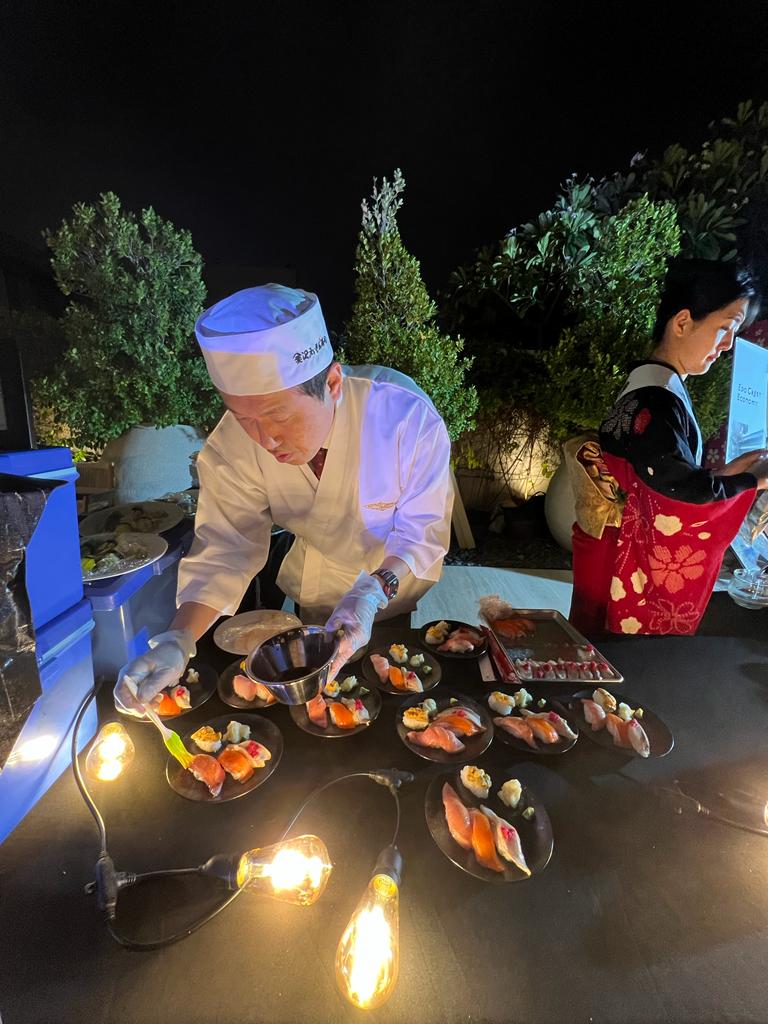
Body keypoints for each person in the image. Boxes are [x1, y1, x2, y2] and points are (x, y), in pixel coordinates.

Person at [116, 284, 453, 709]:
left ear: (332, 382)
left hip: (392, 582)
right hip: (320, 584)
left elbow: (421, 531)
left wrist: (371, 593)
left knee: (392, 689)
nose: (265, 438)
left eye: (279, 415)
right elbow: (226, 546)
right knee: (320, 697)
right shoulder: (233, 445)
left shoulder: (405, 417)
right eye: (245, 418)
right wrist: (180, 637)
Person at [568, 258, 768, 636]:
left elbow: (663, 477)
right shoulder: (657, 402)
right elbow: (676, 494)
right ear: (681, 323)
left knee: (592, 653)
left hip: (607, 545)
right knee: (616, 665)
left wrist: (729, 474)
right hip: (620, 556)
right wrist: (752, 482)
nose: (727, 346)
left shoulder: (649, 389)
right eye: (724, 329)